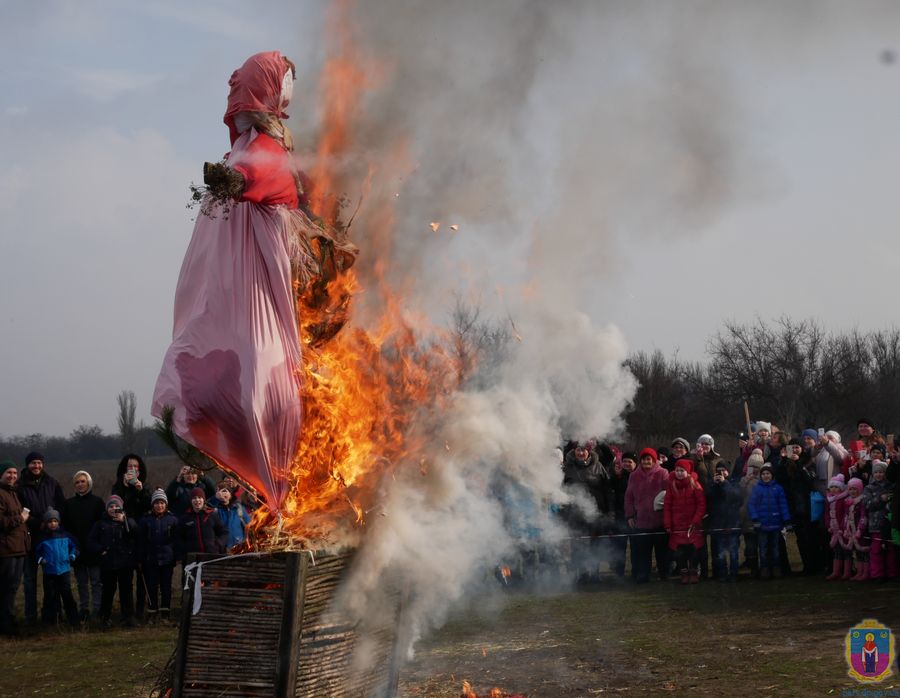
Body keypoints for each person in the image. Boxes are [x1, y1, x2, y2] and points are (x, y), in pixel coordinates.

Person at [151, 51, 357, 513]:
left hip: (267, 256)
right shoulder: (257, 147)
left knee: (277, 356)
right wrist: (237, 179)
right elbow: (262, 171)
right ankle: (268, 471)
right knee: (261, 362)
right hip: (256, 259)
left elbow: (285, 177)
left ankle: (282, 478)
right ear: (268, 89)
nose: (291, 92)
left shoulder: (268, 142)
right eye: (286, 82)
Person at [18, 451, 65, 624]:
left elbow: (61, 505)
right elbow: (19, 511)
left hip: (50, 539)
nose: (36, 466)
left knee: (52, 579)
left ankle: (52, 615)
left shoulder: (52, 483)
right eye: (33, 463)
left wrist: (54, 522)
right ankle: (31, 617)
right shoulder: (20, 485)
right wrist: (38, 523)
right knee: (30, 580)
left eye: (39, 463)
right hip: (29, 538)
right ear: (27, 465)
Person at [112, 453, 152, 620]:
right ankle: (127, 614)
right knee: (125, 577)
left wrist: (140, 490)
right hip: (124, 534)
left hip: (141, 534)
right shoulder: (117, 486)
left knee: (143, 573)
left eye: (136, 467)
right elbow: (114, 505)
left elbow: (149, 505)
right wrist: (123, 488)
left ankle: (142, 610)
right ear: (124, 469)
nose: (133, 470)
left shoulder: (144, 487)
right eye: (130, 467)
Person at [62, 470, 105, 621]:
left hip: (94, 549)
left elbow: (103, 526)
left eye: (83, 481)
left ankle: (97, 609)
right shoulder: (68, 504)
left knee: (96, 582)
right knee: (81, 582)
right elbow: (65, 528)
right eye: (77, 482)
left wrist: (100, 546)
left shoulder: (98, 502)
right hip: (77, 549)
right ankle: (84, 609)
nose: (80, 484)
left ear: (89, 483)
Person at [89, 495, 137, 628]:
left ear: (121, 508)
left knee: (126, 590)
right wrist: (101, 550)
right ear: (106, 508)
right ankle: (104, 618)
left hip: (126, 562)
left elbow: (136, 534)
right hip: (108, 563)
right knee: (108, 591)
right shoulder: (100, 523)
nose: (113, 508)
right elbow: (91, 541)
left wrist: (125, 521)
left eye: (116, 506)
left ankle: (128, 617)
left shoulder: (128, 521)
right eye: (111, 506)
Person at [624, 448, 669, 583]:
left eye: (649, 459)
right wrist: (630, 516)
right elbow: (629, 498)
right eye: (643, 459)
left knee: (662, 551)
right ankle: (643, 574)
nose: (646, 461)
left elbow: (669, 494)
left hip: (659, 520)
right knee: (643, 552)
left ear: (654, 460)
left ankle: (664, 574)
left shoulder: (663, 473)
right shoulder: (634, 475)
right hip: (641, 521)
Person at [137, 489, 179, 622]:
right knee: (151, 587)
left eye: (161, 503)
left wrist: (176, 556)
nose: (159, 505)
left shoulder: (173, 519)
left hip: (167, 559)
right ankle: (152, 612)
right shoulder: (145, 520)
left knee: (166, 587)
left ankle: (165, 613)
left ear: (166, 504)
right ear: (152, 504)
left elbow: (176, 540)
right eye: (156, 503)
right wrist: (140, 558)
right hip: (151, 559)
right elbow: (141, 541)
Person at [663, 459, 706, 584]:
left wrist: (696, 520)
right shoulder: (672, 486)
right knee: (679, 552)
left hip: (692, 524)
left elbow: (701, 505)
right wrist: (667, 523)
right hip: (677, 525)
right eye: (677, 470)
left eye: (682, 471)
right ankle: (683, 572)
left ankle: (693, 571)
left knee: (694, 550)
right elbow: (667, 506)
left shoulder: (695, 484)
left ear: (687, 472)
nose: (679, 473)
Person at [35, 509, 79, 627]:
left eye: (55, 521)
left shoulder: (66, 535)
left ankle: (73, 619)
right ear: (46, 523)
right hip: (49, 571)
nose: (53, 524)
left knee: (67, 594)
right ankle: (52, 619)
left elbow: (75, 547)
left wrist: (73, 555)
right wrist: (40, 560)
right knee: (50, 595)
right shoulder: (42, 538)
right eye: (50, 521)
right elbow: (36, 553)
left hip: (64, 570)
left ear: (59, 522)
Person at [0, 460, 29, 636]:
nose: (12, 476)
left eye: (14, 473)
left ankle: (9, 621)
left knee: (12, 588)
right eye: (8, 473)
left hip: (18, 548)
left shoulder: (12, 493)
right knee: (6, 588)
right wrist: (21, 518)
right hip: (6, 550)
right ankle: (5, 625)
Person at [748, 462, 791, 579]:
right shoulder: (757, 489)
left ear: (772, 475)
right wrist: (755, 518)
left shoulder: (778, 488)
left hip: (776, 523)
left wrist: (786, 520)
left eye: (768, 473)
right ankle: (764, 569)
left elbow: (783, 505)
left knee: (775, 548)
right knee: (763, 548)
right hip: (762, 524)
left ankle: (776, 569)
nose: (766, 476)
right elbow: (752, 505)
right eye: (764, 474)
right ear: (761, 476)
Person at [707, 462, 742, 582]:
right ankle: (722, 574)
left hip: (732, 522)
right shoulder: (712, 485)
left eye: (723, 470)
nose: (721, 473)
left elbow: (735, 496)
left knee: (733, 552)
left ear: (728, 471)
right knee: (720, 553)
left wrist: (724, 483)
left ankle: (734, 574)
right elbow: (709, 499)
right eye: (718, 471)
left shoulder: (733, 482)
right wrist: (715, 485)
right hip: (718, 524)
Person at [864, 461, 896, 581]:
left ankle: (891, 573)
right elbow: (867, 504)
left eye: (881, 472)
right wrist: (880, 499)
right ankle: (877, 574)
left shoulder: (891, 486)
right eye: (876, 472)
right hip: (875, 525)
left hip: (889, 523)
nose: (878, 474)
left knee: (890, 551)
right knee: (876, 551)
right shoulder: (869, 488)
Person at [178, 488, 228, 561]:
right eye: (194, 498)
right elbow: (179, 538)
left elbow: (224, 532)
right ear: (191, 501)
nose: (197, 500)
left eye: (199, 498)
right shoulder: (185, 518)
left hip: (211, 556)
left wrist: (218, 544)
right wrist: (185, 550)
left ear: (203, 500)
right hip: (192, 558)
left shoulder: (211, 515)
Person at [739, 449, 764, 577]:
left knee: (762, 545)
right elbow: (740, 496)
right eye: (752, 466)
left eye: (756, 467)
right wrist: (745, 481)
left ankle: (764, 568)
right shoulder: (744, 480)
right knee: (750, 546)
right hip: (747, 516)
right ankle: (753, 568)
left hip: (761, 517)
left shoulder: (764, 480)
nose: (754, 469)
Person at [210, 482, 251, 549]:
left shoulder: (239, 508)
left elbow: (249, 525)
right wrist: (215, 499)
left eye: (225, 491)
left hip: (239, 547)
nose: (222, 494)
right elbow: (206, 508)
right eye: (219, 492)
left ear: (230, 494)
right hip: (222, 549)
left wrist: (245, 541)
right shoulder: (215, 510)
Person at [825, 475, 850, 581]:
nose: (834, 489)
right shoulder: (829, 500)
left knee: (846, 550)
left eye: (836, 487)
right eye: (832, 487)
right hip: (833, 530)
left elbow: (845, 514)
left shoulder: (844, 500)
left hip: (843, 530)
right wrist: (828, 525)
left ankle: (847, 572)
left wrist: (843, 527)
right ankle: (836, 572)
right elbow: (826, 514)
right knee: (836, 551)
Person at [843, 477, 870, 581]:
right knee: (857, 553)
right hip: (852, 531)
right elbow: (846, 516)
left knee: (864, 552)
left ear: (860, 489)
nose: (853, 491)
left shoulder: (862, 501)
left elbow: (863, 517)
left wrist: (860, 530)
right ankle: (859, 572)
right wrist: (846, 529)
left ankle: (865, 573)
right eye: (850, 489)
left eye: (855, 489)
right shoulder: (848, 502)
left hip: (861, 532)